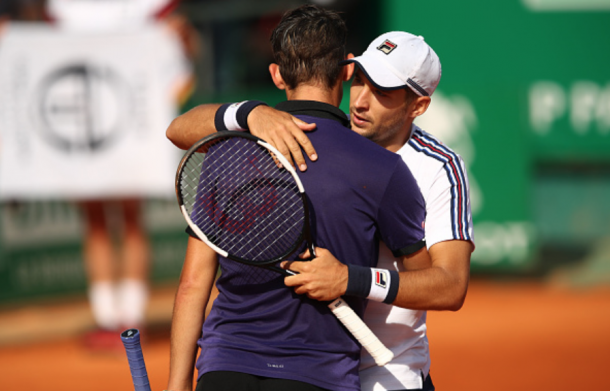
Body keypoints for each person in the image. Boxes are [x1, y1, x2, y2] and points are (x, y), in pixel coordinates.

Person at [167, 29, 474, 390]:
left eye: (383, 92)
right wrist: (250, 113)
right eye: (360, 81)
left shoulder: (439, 169)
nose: (361, 101)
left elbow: (449, 287)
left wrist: (350, 278)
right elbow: (179, 130)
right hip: (316, 366)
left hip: (387, 370)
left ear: (418, 106)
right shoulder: (302, 134)